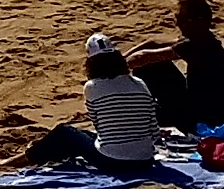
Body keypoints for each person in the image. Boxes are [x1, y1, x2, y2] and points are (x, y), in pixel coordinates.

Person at [21, 35, 164, 174]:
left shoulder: (92, 87)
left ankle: (30, 156)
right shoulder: (139, 83)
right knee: (80, 136)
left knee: (64, 132)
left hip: (113, 161)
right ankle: (35, 154)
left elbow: (98, 124)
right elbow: (153, 126)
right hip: (146, 159)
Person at [126, 0, 224, 130]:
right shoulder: (204, 39)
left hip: (206, 119)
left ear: (199, 21)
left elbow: (143, 57)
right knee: (153, 66)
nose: (178, 24)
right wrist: (117, 59)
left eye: (183, 19)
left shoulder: (199, 45)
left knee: (148, 66)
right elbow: (153, 44)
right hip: (206, 110)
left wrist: (113, 68)